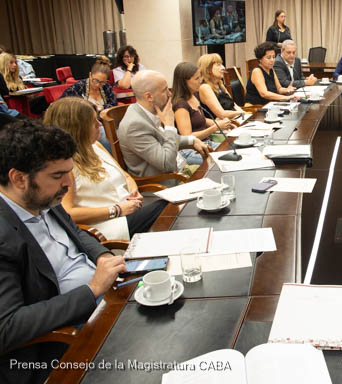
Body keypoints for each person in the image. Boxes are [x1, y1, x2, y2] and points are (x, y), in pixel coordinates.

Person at [0, 119, 126, 384]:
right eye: (58, 176)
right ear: (19, 179)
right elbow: (8, 327)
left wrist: (103, 256)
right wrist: (92, 289)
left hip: (105, 297)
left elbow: (76, 233)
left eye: (69, 172)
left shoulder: (44, 197)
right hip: (64, 336)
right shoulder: (4, 236)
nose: (68, 183)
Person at [44, 98, 168, 240]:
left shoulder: (95, 146)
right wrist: (116, 210)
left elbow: (126, 176)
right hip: (106, 226)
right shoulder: (64, 166)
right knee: (170, 206)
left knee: (173, 209)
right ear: (78, 128)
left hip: (129, 212)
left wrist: (134, 192)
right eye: (93, 122)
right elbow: (67, 212)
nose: (99, 124)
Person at [118, 70, 210, 177]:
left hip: (180, 170)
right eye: (164, 90)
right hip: (166, 181)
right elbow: (167, 164)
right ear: (149, 97)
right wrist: (169, 126)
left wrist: (192, 140)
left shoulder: (145, 110)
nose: (170, 94)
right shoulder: (134, 126)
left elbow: (164, 139)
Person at [171, 61, 233, 143]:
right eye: (196, 78)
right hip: (195, 148)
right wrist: (215, 128)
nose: (200, 81)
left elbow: (200, 119)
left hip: (207, 142)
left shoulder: (194, 95)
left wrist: (221, 123)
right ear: (184, 82)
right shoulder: (180, 105)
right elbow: (187, 136)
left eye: (200, 77)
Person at [197, 53, 245, 120]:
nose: (223, 68)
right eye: (218, 65)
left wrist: (244, 116)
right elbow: (221, 114)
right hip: (220, 124)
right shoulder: (205, 87)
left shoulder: (220, 84)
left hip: (234, 119)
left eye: (222, 64)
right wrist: (242, 113)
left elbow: (234, 105)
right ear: (208, 69)